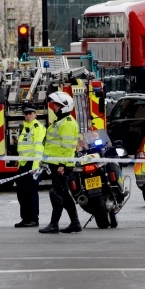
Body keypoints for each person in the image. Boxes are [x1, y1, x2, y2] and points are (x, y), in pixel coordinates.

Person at [39, 92, 82, 234]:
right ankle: (75, 223)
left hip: (62, 165)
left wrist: (62, 165)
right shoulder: (59, 122)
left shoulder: (67, 123)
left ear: (65, 106)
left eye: (57, 105)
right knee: (63, 194)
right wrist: (44, 161)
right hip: (55, 163)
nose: (54, 107)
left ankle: (54, 224)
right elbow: (52, 145)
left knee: (55, 193)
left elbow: (68, 146)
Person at [15, 107, 45, 228]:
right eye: (26, 114)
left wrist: (35, 167)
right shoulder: (26, 127)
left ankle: (33, 219)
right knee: (21, 193)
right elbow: (23, 147)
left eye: (30, 114)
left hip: (32, 164)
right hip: (23, 163)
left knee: (31, 192)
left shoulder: (38, 127)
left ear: (35, 114)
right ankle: (25, 218)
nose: (28, 116)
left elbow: (38, 148)